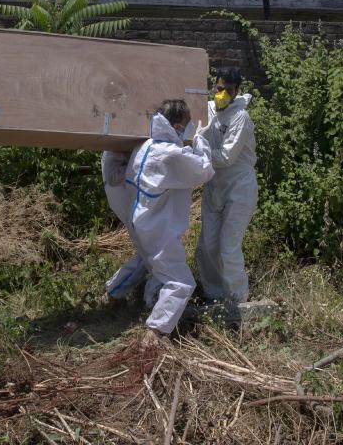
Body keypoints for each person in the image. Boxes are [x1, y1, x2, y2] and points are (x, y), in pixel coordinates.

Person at [103, 99, 215, 336]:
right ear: (176, 126)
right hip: (158, 230)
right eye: (186, 124)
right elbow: (203, 170)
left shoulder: (143, 147)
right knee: (181, 283)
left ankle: (113, 293)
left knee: (146, 260)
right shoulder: (170, 155)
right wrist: (201, 141)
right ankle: (154, 333)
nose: (188, 128)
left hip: (139, 222)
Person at [194, 68, 258, 316]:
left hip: (239, 187)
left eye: (228, 91)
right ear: (214, 86)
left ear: (237, 92)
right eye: (219, 89)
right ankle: (214, 295)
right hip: (214, 185)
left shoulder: (240, 116)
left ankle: (237, 300)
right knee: (207, 246)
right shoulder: (207, 109)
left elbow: (227, 157)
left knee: (228, 247)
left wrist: (197, 151)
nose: (222, 95)